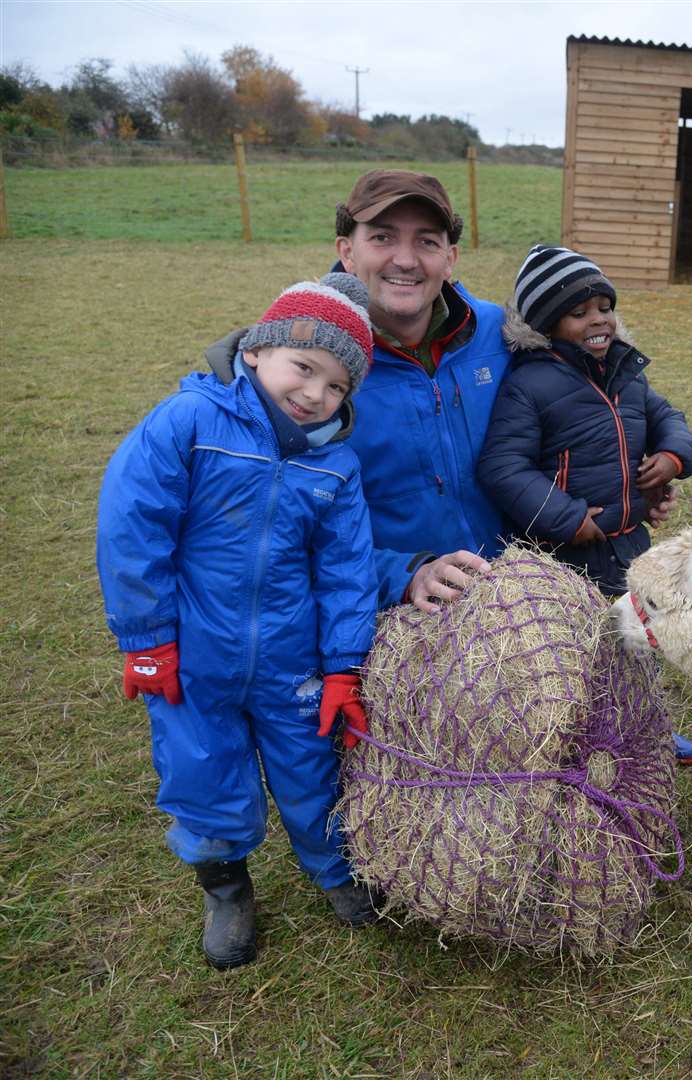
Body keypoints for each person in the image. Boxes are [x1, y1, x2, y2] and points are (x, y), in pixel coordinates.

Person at [97, 273, 383, 970]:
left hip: (293, 664)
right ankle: (226, 889)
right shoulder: (188, 422)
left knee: (313, 773)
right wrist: (145, 641)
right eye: (304, 368)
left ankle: (337, 874)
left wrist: (345, 666)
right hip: (194, 658)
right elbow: (132, 526)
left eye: (338, 386)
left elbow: (348, 570)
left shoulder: (335, 467)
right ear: (256, 351)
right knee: (204, 771)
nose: (316, 394)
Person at [476, 247, 692, 762]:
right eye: (578, 313)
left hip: (630, 543)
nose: (597, 319)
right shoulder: (529, 386)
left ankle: (649, 730)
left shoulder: (625, 373)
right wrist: (568, 517)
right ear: (547, 325)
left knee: (639, 643)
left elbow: (669, 415)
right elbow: (503, 468)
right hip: (565, 554)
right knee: (577, 652)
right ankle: (573, 744)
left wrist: (672, 456)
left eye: (604, 306)